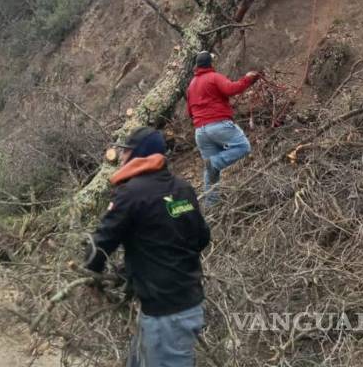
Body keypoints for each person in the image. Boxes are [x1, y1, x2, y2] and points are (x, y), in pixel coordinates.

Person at [84, 126, 210, 367]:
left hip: (165, 316)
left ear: (138, 154)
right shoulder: (183, 189)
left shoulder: (131, 194)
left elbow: (101, 243)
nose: (121, 158)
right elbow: (201, 237)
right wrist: (133, 269)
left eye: (125, 153)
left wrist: (91, 270)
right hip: (188, 302)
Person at [186, 51, 258, 206]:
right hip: (218, 125)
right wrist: (248, 79)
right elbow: (231, 89)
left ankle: (211, 204)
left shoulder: (191, 85)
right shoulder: (214, 77)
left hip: (200, 132)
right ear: (210, 64)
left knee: (211, 171)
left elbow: (190, 112)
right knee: (243, 146)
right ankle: (216, 162)